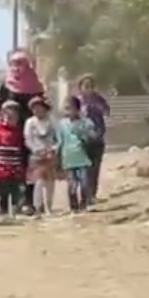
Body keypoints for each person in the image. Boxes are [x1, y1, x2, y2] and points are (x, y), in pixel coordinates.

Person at [0, 49, 47, 209]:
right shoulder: (6, 85)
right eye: (14, 64)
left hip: (31, 133)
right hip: (11, 134)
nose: (17, 67)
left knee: (30, 166)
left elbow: (42, 109)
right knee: (10, 167)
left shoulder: (36, 85)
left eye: (20, 63)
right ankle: (10, 201)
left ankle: (28, 201)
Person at [73, 74, 110, 205]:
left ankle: (92, 195)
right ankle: (83, 197)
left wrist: (97, 106)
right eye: (86, 85)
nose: (89, 88)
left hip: (97, 139)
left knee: (95, 169)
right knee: (83, 169)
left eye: (91, 86)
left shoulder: (99, 99)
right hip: (82, 140)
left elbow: (107, 112)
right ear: (80, 87)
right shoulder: (76, 101)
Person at [0, 100, 27, 218]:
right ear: (2, 116)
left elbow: (22, 146)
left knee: (14, 186)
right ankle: (3, 209)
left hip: (14, 164)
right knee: (3, 187)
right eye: (8, 116)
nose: (10, 119)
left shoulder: (19, 131)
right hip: (1, 163)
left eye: (13, 117)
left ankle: (13, 207)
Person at [57, 95, 96, 212]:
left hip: (83, 158)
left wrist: (86, 135)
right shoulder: (61, 124)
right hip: (68, 159)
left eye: (70, 108)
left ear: (77, 109)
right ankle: (73, 207)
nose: (67, 111)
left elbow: (93, 136)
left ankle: (84, 204)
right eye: (66, 108)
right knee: (72, 185)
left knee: (84, 184)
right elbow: (59, 141)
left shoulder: (86, 122)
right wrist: (57, 158)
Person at [24, 96, 61, 216]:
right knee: (38, 183)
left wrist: (53, 149)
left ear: (45, 108)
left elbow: (59, 138)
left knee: (50, 183)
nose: (37, 110)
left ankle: (49, 208)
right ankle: (38, 208)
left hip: (50, 156)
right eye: (34, 108)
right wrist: (36, 150)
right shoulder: (30, 122)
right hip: (36, 157)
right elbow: (28, 139)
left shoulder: (52, 121)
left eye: (39, 107)